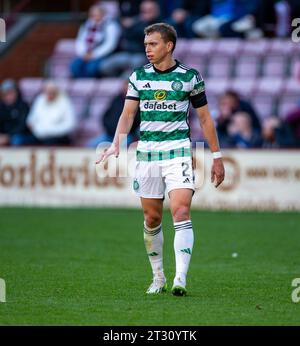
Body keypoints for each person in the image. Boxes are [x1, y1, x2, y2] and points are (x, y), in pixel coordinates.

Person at [96, 23, 225, 296]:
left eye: (153, 44)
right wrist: (116, 144)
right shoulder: (138, 76)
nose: (147, 49)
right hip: (147, 153)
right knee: (152, 218)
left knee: (180, 212)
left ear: (169, 46)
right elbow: (128, 114)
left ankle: (180, 278)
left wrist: (217, 156)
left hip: (178, 150)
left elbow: (205, 118)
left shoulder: (190, 77)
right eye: (145, 45)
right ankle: (158, 277)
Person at [70, 4, 121, 78]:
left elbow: (110, 44)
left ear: (103, 14)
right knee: (74, 67)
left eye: (97, 15)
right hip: (85, 54)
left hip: (102, 55)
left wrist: (94, 54)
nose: (95, 17)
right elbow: (80, 41)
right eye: (92, 15)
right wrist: (83, 53)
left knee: (91, 69)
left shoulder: (110, 25)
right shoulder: (86, 25)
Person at [87, 81, 140, 147]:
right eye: (125, 85)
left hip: (125, 135)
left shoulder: (136, 102)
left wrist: (126, 130)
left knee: (121, 148)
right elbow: (106, 115)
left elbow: (135, 119)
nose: (125, 88)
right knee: (92, 144)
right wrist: (109, 128)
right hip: (109, 134)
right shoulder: (117, 99)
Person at [26, 81, 76, 146]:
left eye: (52, 92)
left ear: (56, 91)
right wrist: (36, 129)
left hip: (57, 137)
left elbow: (70, 124)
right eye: (47, 92)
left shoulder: (64, 101)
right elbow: (31, 120)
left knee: (50, 143)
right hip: (39, 136)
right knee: (23, 141)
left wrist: (49, 131)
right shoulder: (40, 100)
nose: (50, 94)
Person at [0, 79, 32, 146]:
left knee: (16, 139)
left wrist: (8, 136)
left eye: (11, 93)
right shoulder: (1, 106)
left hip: (21, 135)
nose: (8, 96)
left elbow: (23, 125)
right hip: (4, 135)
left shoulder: (23, 106)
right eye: (5, 94)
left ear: (16, 93)